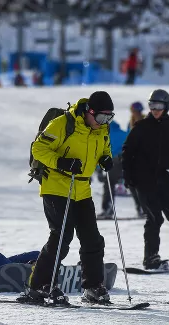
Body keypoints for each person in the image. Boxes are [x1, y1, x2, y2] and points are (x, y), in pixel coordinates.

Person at [21, 91, 114, 305]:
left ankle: (93, 287)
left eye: (109, 118)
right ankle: (39, 286)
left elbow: (104, 146)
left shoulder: (102, 128)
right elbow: (39, 148)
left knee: (92, 239)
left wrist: (106, 158)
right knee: (61, 237)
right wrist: (61, 162)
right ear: (89, 112)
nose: (104, 123)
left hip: (82, 188)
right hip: (56, 185)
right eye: (101, 118)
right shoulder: (63, 123)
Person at [122, 89, 169, 271]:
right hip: (143, 179)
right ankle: (151, 258)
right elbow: (127, 152)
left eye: (159, 106)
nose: (155, 110)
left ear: (166, 107)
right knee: (154, 218)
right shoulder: (140, 128)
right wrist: (128, 177)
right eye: (152, 106)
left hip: (163, 178)